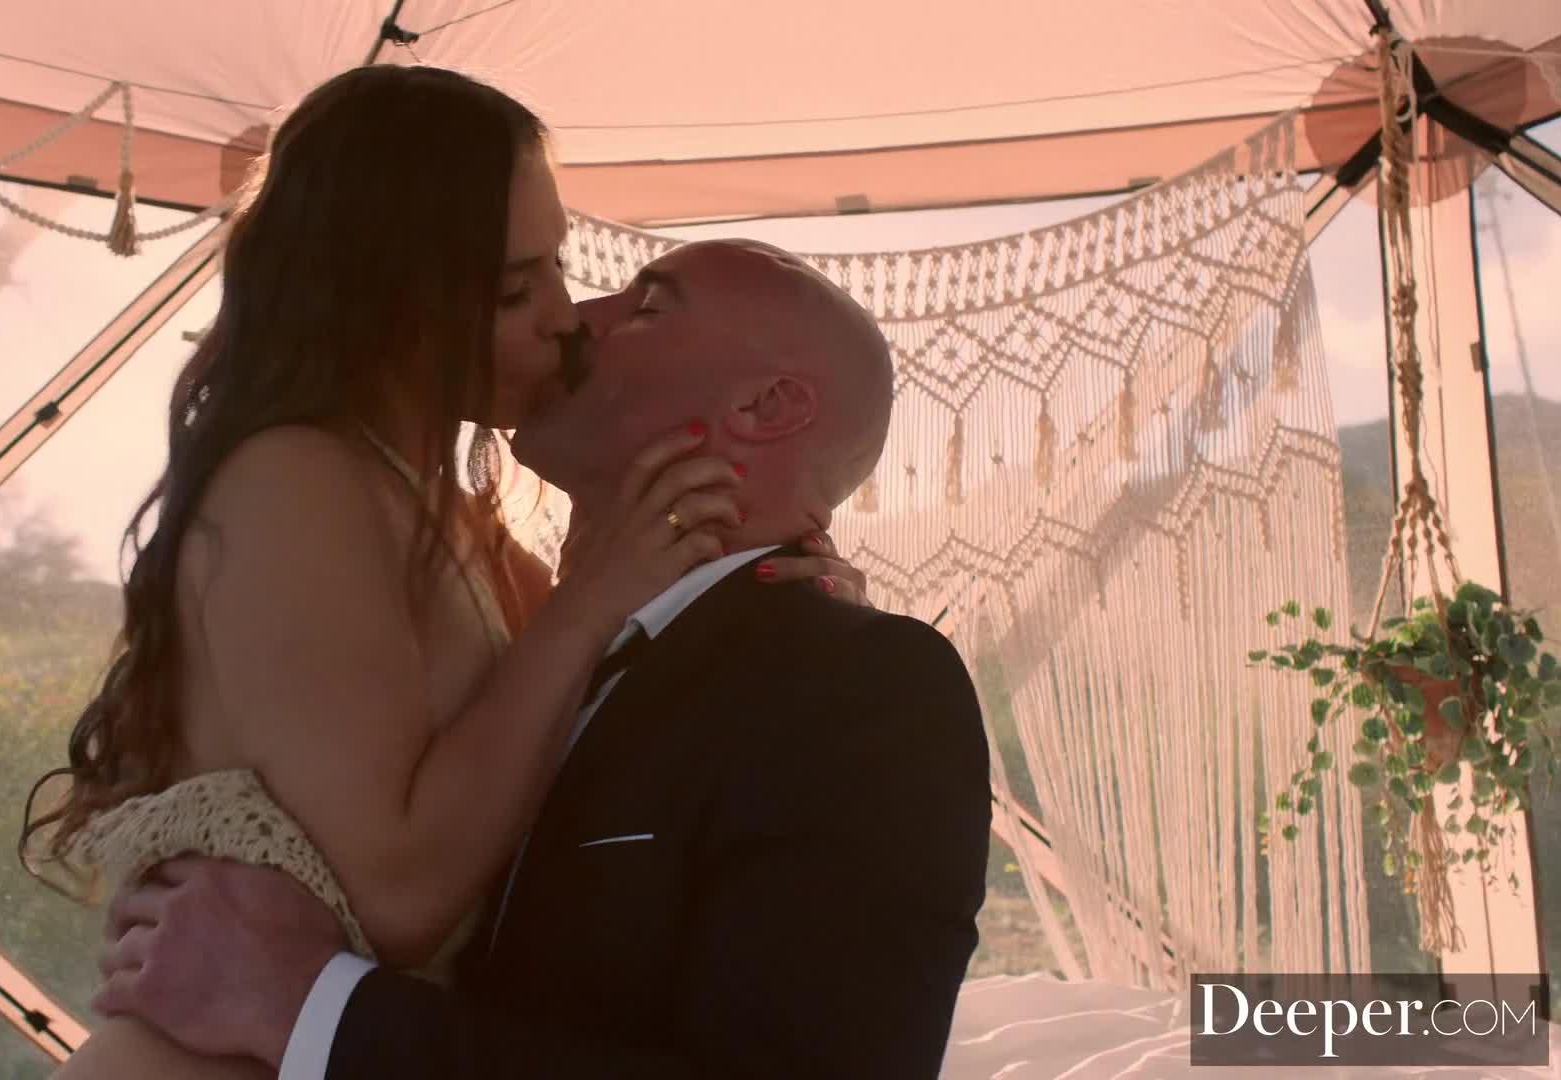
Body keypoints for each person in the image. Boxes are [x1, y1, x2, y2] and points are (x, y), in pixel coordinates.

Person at [27, 66, 867, 1076]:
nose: (564, 318)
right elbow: (396, 898)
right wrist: (594, 596)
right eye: (515, 289)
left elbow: (581, 722)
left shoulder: (455, 523)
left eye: (556, 266)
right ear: (387, 301)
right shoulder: (297, 478)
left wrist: (784, 600)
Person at [91, 239, 993, 1078]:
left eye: (645, 307)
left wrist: (312, 1007)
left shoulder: (860, 687)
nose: (571, 319)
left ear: (766, 408)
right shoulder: (518, 629)